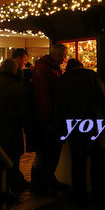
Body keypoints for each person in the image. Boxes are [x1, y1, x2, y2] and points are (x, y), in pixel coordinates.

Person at [54, 58, 105, 206]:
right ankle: (98, 197)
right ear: (81, 66)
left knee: (78, 163)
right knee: (97, 162)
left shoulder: (63, 80)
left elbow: (59, 106)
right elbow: (104, 100)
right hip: (93, 124)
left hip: (73, 126)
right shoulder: (92, 76)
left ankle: (80, 198)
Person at [0, 58, 30, 195]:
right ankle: (10, 188)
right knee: (12, 160)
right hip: (11, 130)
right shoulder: (16, 86)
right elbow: (23, 111)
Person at [30, 43, 68, 196]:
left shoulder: (48, 67)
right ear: (57, 55)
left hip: (49, 119)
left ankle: (46, 181)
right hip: (48, 120)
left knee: (49, 153)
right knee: (47, 153)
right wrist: (49, 120)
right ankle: (41, 184)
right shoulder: (45, 69)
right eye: (64, 55)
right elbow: (44, 96)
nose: (65, 58)